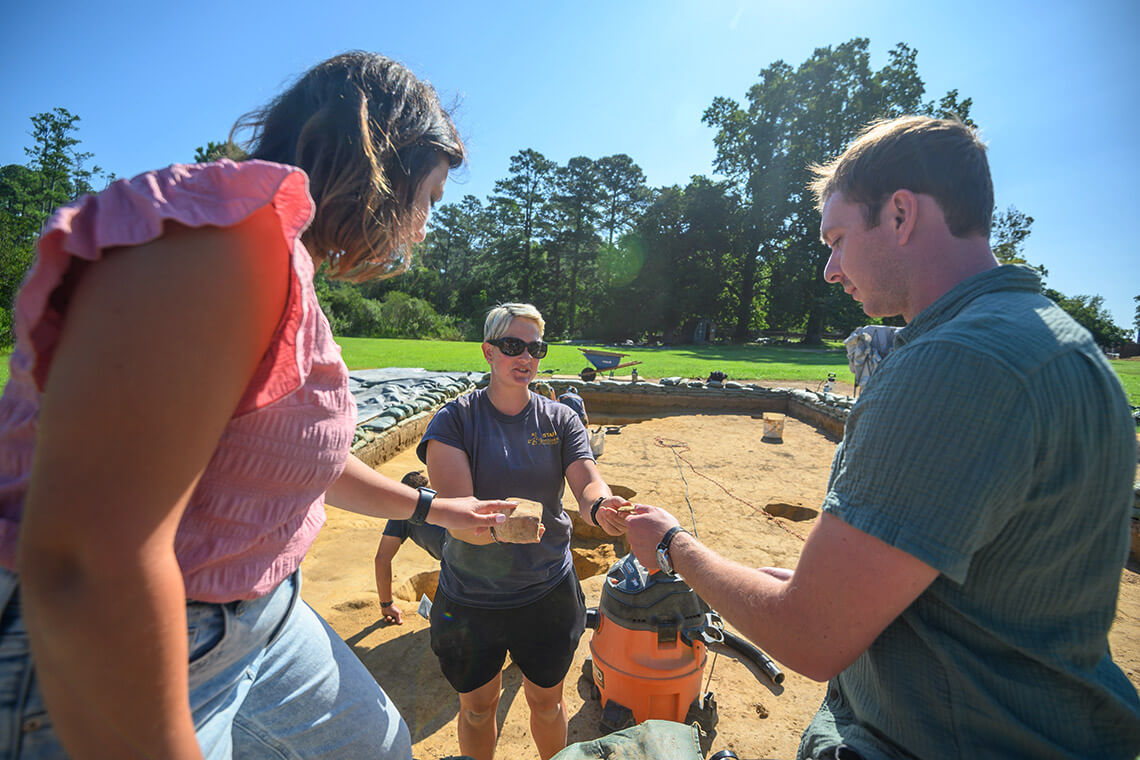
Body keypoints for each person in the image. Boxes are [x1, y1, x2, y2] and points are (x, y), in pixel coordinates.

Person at [0, 51, 513, 760]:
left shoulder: (278, 260)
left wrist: (434, 510)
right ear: (377, 163)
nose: (421, 228)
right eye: (426, 198)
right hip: (134, 638)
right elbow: (87, 560)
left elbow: (291, 463)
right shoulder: (218, 241)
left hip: (259, 613)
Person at [625, 116, 1140, 759]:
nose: (830, 270)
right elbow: (1003, 585)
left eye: (837, 239)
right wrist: (848, 588)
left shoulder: (950, 364)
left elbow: (812, 636)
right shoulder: (1067, 346)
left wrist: (674, 546)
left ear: (900, 215)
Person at [419, 303, 630, 760]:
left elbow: (586, 481)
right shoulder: (453, 422)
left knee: (547, 701)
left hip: (546, 592)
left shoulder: (560, 419)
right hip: (473, 598)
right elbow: (457, 516)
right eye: (513, 345)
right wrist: (504, 529)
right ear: (488, 351)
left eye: (536, 347)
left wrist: (600, 506)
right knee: (478, 709)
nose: (526, 357)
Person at [375, 470, 449, 625]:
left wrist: (386, 605)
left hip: (462, 566)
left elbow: (382, 559)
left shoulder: (405, 510)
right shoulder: (447, 494)